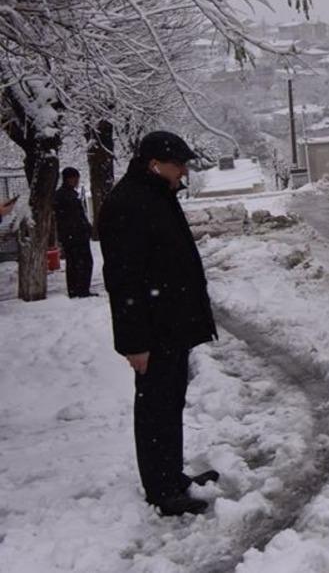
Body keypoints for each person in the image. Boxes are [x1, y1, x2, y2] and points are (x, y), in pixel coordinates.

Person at [99, 131, 219, 517]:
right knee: (155, 409)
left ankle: (172, 475)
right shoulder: (129, 204)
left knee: (169, 404)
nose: (184, 172)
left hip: (171, 326)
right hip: (153, 332)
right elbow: (124, 280)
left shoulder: (155, 195)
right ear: (155, 163)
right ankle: (161, 489)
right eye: (178, 164)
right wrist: (134, 343)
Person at [53, 167, 95, 297]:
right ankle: (81, 289)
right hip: (75, 236)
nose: (77, 181)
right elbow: (74, 217)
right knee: (81, 262)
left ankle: (76, 289)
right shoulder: (66, 196)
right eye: (75, 178)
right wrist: (84, 228)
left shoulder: (66, 195)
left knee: (75, 263)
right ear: (69, 179)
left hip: (72, 235)